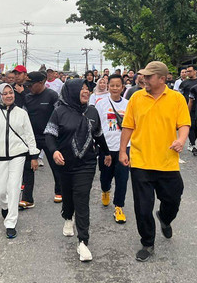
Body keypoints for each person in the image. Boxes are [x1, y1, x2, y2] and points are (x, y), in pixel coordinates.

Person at [119, 61, 191, 262]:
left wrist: (181, 140)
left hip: (167, 161)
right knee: (142, 207)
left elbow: (184, 124)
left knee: (173, 198)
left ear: (162, 78)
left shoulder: (176, 98)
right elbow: (128, 126)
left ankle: (165, 219)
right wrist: (123, 151)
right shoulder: (136, 97)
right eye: (143, 76)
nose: (144, 79)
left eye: (148, 77)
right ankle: (147, 242)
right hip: (141, 160)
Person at [45, 79, 111, 262]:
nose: (85, 92)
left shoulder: (92, 112)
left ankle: (83, 242)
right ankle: (67, 217)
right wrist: (54, 151)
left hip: (87, 163)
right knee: (68, 194)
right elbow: (49, 136)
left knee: (82, 198)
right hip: (65, 163)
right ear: (71, 91)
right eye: (81, 89)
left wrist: (106, 153)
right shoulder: (59, 112)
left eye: (87, 89)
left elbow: (98, 135)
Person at [0, 83, 39, 238]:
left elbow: (29, 135)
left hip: (18, 155)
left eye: (10, 93)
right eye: (4, 93)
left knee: (13, 188)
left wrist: (34, 156)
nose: (8, 96)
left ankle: (11, 222)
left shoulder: (21, 113)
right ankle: (5, 206)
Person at [21, 71, 61, 206]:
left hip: (49, 137)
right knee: (28, 167)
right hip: (32, 138)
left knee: (56, 165)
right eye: (27, 85)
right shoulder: (27, 97)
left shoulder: (52, 96)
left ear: (41, 83)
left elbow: (59, 115)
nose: (29, 87)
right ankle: (27, 198)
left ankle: (60, 191)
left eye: (31, 85)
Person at [95, 74, 130, 223]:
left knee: (123, 178)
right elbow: (96, 126)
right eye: (112, 85)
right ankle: (105, 190)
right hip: (106, 147)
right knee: (105, 176)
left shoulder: (128, 104)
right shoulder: (100, 103)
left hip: (124, 147)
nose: (115, 88)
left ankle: (119, 207)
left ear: (122, 87)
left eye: (118, 85)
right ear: (108, 86)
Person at [179, 65, 197, 155]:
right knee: (190, 125)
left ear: (195, 71)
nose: (188, 73)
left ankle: (192, 142)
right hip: (187, 107)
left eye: (190, 71)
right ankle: (193, 144)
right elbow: (180, 95)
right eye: (187, 71)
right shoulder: (184, 83)